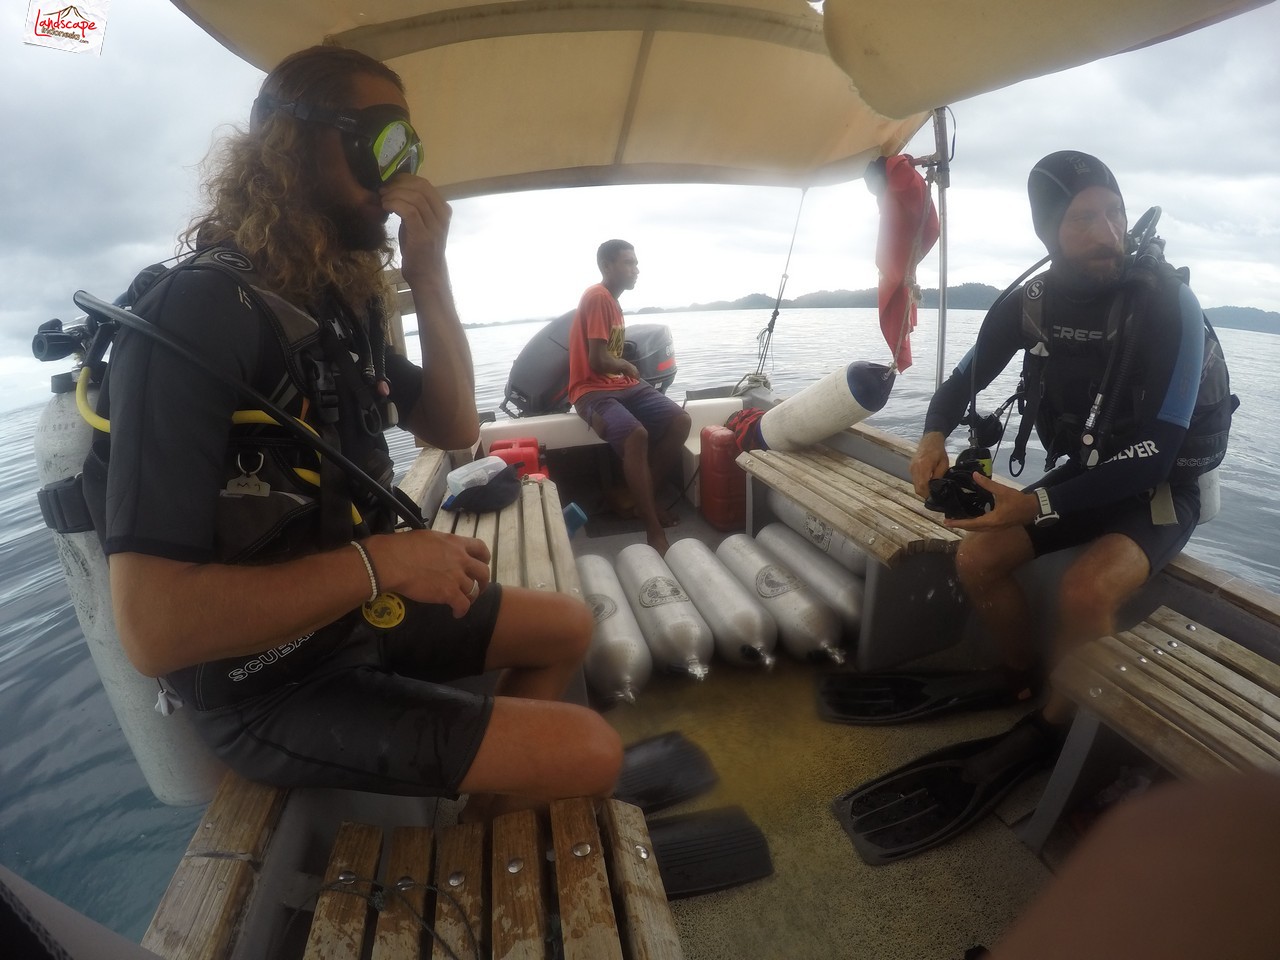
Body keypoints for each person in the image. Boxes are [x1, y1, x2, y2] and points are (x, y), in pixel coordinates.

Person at [81, 46, 622, 820]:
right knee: (593, 753)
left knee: (568, 625)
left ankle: (481, 829)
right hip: (263, 684)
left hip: (348, 615)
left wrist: (429, 272)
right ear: (291, 147)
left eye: (411, 149)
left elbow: (454, 422)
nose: (399, 173)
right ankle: (482, 836)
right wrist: (386, 561)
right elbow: (153, 630)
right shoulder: (196, 317)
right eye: (380, 142)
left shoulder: (328, 307)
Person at [829, 151, 1234, 862]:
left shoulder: (1167, 303)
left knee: (1086, 589)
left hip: (1163, 490)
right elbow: (963, 379)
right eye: (1084, 218)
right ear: (1049, 231)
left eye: (1114, 210)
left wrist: (1035, 503)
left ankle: (1054, 722)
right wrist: (929, 439)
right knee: (978, 558)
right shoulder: (1034, 302)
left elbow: (1163, 448)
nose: (1107, 230)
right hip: (1089, 475)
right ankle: (1019, 676)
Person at [567, 240, 691, 555]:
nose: (636, 269)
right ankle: (652, 527)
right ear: (607, 267)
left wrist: (623, 370)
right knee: (636, 435)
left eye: (635, 263)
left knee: (680, 421)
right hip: (590, 391)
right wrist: (624, 364)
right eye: (628, 263)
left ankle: (640, 501)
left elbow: (609, 357)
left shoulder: (613, 302)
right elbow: (597, 360)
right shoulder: (598, 297)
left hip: (620, 384)